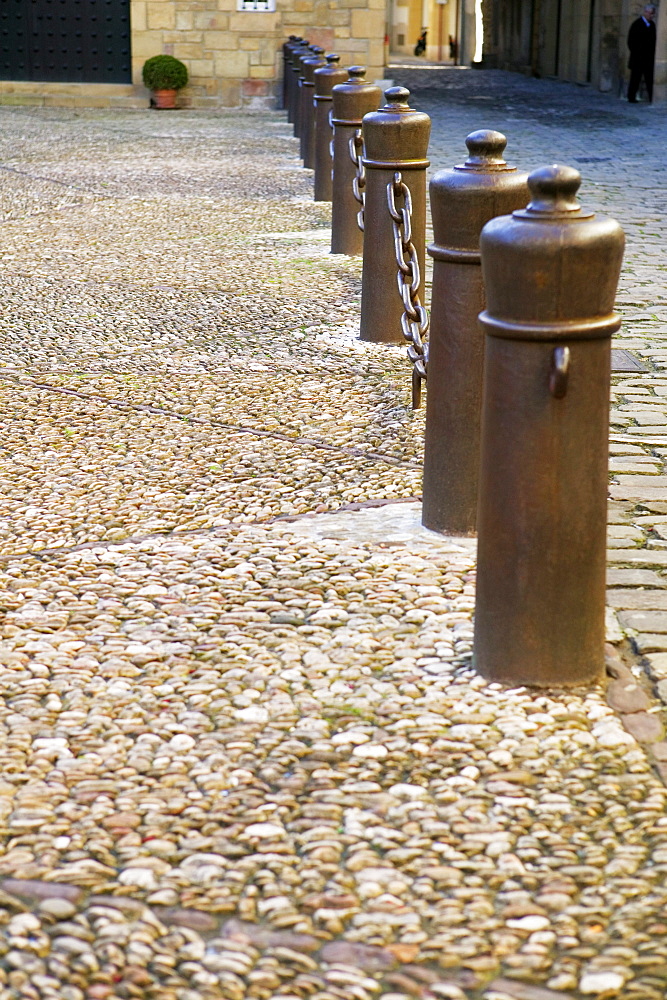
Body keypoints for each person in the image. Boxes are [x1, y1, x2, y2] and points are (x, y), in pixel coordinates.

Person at [627, 4, 657, 102]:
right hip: (638, 58)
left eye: (653, 14)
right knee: (635, 78)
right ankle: (631, 97)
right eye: (651, 13)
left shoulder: (652, 25)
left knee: (649, 79)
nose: (652, 16)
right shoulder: (637, 24)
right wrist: (638, 52)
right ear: (645, 12)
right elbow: (631, 41)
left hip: (649, 58)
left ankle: (652, 97)